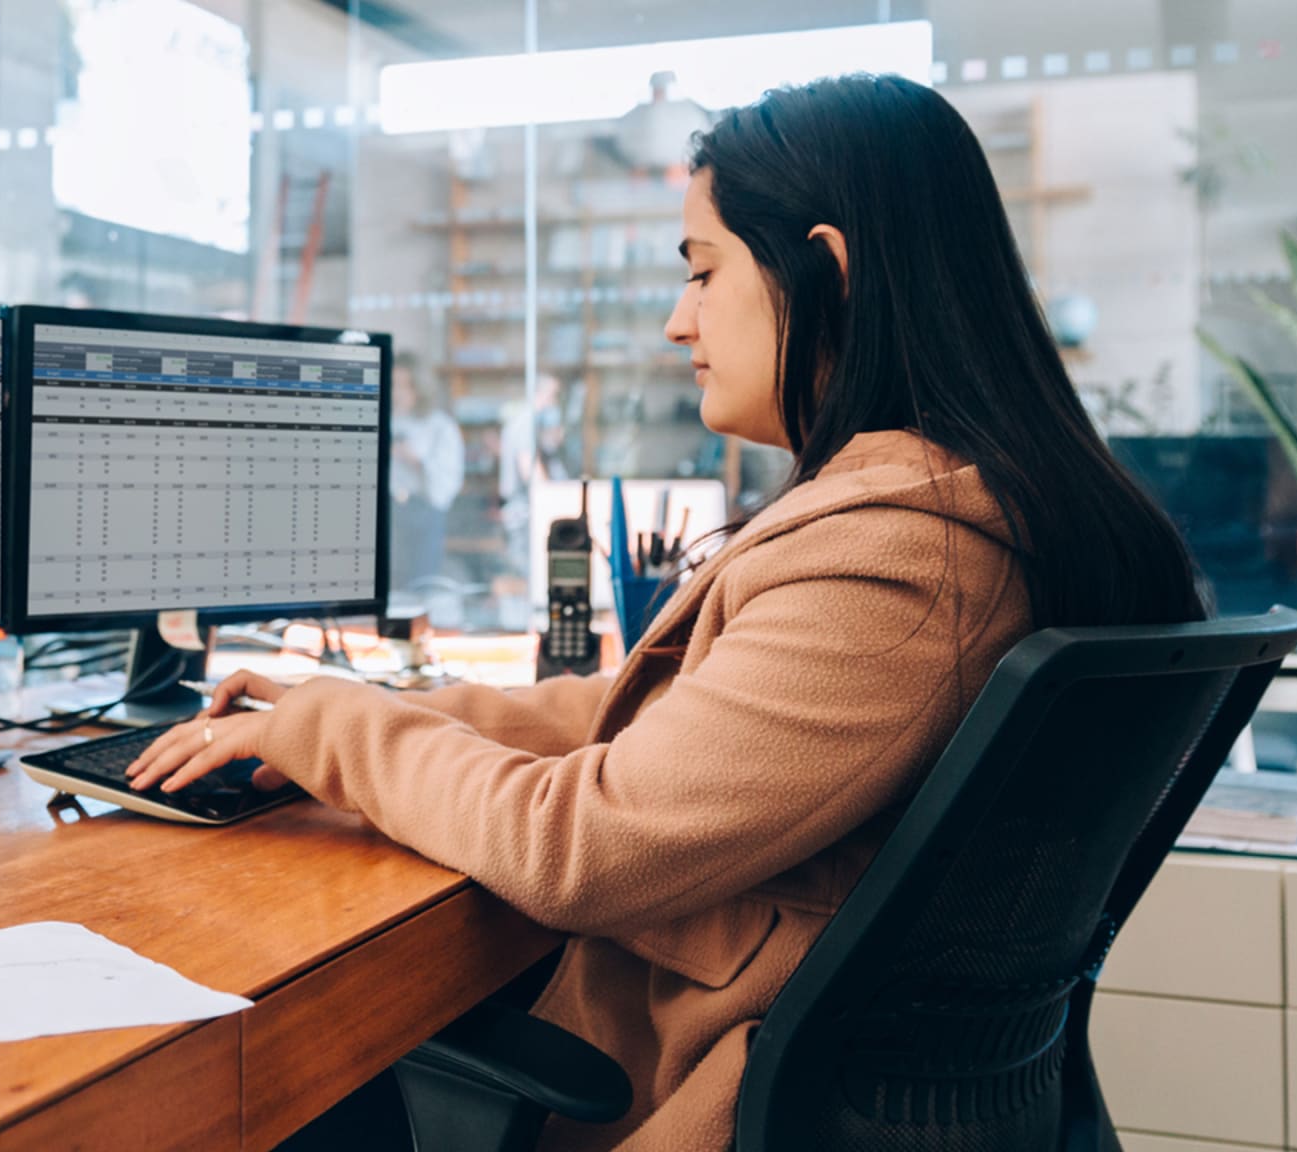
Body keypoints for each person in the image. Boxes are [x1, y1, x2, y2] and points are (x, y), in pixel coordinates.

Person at [127, 74, 1205, 1150]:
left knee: (263, 1080)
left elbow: (577, 846)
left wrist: (335, 731)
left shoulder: (906, 562)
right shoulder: (977, 514)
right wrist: (376, 709)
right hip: (814, 1079)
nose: (676, 319)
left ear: (825, 272)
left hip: (697, 1099)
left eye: (703, 271)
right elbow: (679, 722)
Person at [387, 353, 466, 593]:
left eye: (404, 385)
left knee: (421, 586)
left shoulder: (439, 426)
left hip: (423, 511)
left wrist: (416, 460)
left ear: (418, 387)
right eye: (393, 385)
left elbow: (448, 477)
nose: (397, 393)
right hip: (389, 512)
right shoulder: (384, 421)